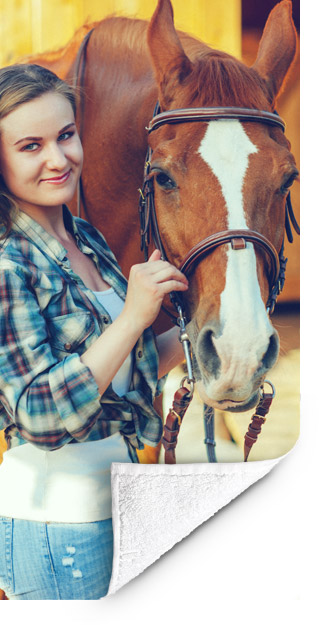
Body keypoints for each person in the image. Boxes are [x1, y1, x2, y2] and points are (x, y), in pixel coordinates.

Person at [0, 64, 188, 600]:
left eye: (65, 135)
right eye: (30, 146)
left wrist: (200, 340)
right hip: (55, 528)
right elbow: (37, 412)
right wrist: (132, 315)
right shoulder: (8, 264)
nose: (58, 159)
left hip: (115, 506)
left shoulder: (85, 238)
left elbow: (118, 370)